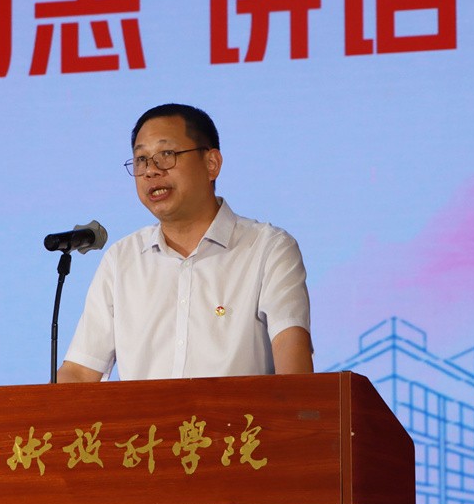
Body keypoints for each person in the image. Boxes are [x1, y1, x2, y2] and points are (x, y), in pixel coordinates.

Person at [58, 103, 313, 382]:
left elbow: (294, 365)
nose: (150, 171)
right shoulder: (122, 259)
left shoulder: (268, 249)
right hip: (146, 414)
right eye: (141, 159)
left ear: (211, 163)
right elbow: (79, 372)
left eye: (166, 155)